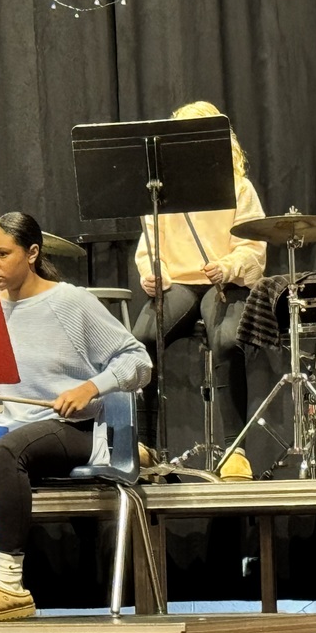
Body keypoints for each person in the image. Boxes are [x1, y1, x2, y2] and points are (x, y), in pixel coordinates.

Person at [0, 212, 151, 621]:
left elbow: (139, 361)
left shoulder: (70, 302)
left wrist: (91, 387)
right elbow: (5, 369)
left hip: (73, 430)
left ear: (33, 253)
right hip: (12, 424)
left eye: (3, 254)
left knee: (9, 451)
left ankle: (9, 585)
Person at [132, 101, 266, 473]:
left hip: (224, 280)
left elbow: (254, 248)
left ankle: (234, 451)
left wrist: (228, 266)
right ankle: (146, 445)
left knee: (226, 340)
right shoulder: (162, 191)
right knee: (142, 337)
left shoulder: (239, 187)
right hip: (179, 283)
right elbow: (149, 248)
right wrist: (152, 271)